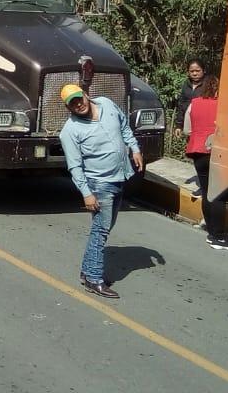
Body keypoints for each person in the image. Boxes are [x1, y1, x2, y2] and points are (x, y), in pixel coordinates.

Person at [57, 83, 143, 300]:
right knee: (100, 231)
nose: (78, 104)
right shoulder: (70, 131)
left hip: (119, 177)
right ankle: (95, 279)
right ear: (68, 107)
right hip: (99, 184)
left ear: (86, 94)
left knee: (102, 229)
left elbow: (124, 126)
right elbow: (75, 166)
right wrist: (86, 193)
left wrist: (135, 148)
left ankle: (87, 272)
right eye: (72, 103)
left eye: (79, 98)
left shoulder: (106, 104)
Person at [184, 75, 228, 251]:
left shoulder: (194, 103)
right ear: (217, 89)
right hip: (215, 151)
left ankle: (210, 230)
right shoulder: (222, 105)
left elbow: (187, 129)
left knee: (207, 192)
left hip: (196, 152)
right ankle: (218, 236)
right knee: (218, 194)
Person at [174, 58, 207, 134]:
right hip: (188, 123)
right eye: (192, 71)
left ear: (204, 70)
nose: (194, 73)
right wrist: (179, 125)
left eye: (197, 71)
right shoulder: (186, 85)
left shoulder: (208, 86)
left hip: (203, 125)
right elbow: (181, 105)